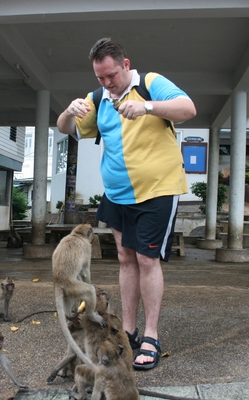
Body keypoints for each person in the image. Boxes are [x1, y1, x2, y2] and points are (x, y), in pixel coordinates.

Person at [56, 37, 196, 371]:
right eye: (100, 77)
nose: (107, 83)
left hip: (156, 190)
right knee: (124, 257)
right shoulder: (98, 98)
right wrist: (67, 111)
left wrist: (147, 106)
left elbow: (188, 109)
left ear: (126, 66)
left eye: (112, 76)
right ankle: (129, 330)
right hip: (117, 193)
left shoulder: (150, 84)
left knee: (147, 259)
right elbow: (66, 130)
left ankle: (151, 335)